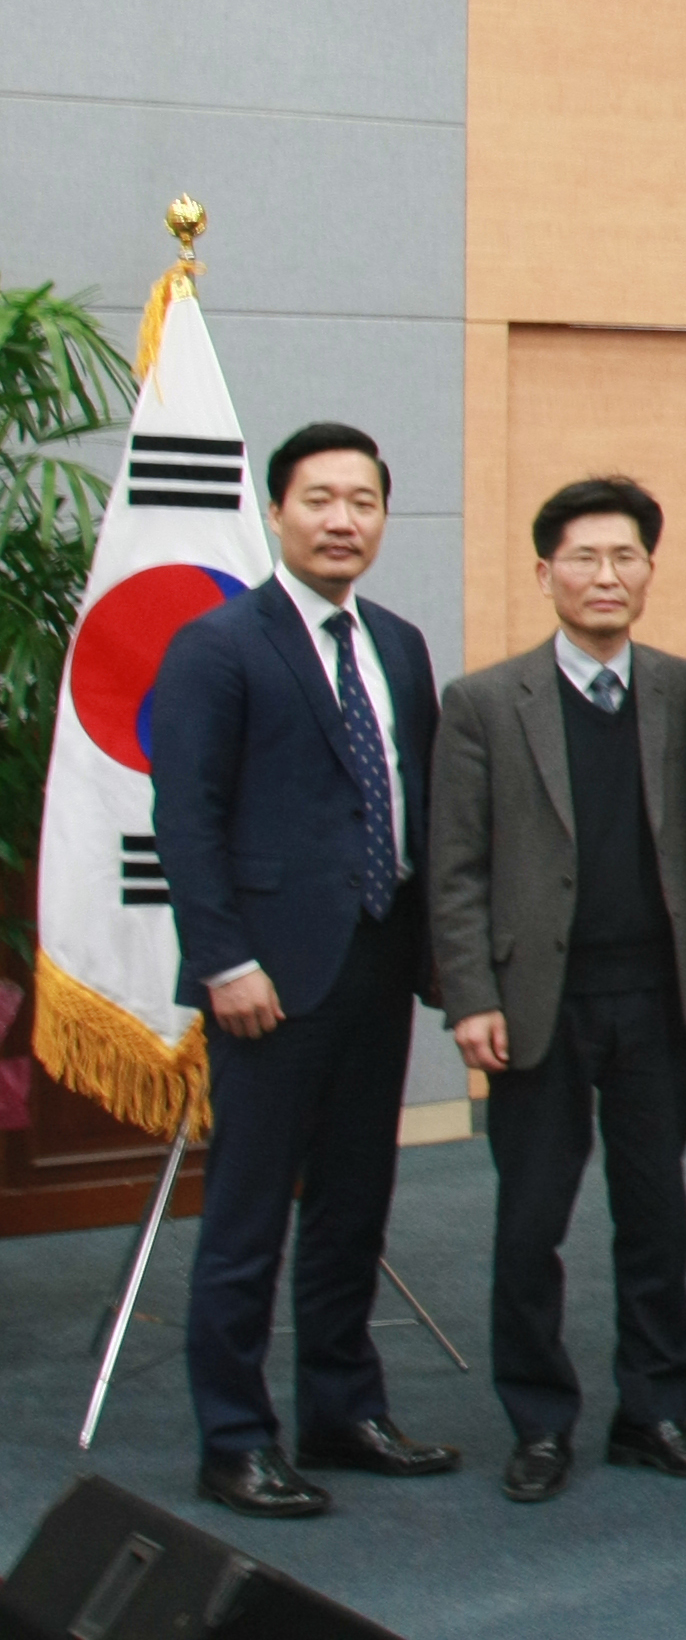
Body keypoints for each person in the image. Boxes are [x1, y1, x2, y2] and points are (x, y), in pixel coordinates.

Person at [149, 422, 459, 1518]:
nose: (342, 519)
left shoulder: (402, 642)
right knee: (246, 1219)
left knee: (352, 1207)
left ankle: (341, 1410)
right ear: (277, 512)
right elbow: (185, 819)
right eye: (319, 499)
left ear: (382, 515)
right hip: (266, 981)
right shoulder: (218, 644)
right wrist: (223, 955)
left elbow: (414, 801)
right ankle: (233, 1438)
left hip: (376, 964)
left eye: (363, 500)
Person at [429, 478, 686, 1502]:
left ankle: (656, 1408)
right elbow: (457, 864)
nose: (606, 576)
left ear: (650, 570)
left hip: (655, 997)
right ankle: (540, 1419)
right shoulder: (483, 701)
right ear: (544, 571)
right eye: (583, 558)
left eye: (626, 558)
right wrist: (468, 993)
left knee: (657, 1213)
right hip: (535, 1003)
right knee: (532, 1219)